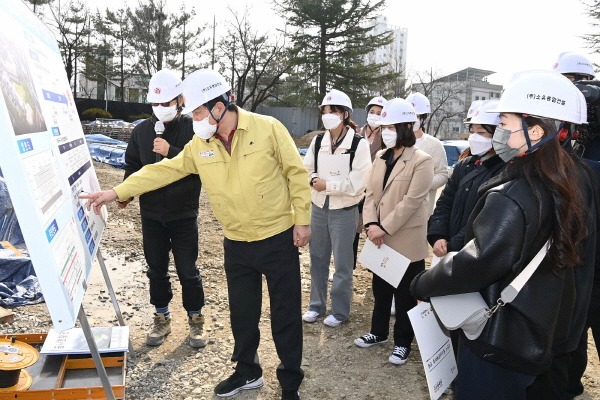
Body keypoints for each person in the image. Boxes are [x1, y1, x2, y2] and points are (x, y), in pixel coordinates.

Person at [81, 69, 311, 400]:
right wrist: (117, 192)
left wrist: (302, 220)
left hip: (277, 238)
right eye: (194, 113)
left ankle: (290, 380)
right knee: (242, 314)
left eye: (200, 112)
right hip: (237, 243)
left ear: (221, 105)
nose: (196, 119)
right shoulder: (200, 145)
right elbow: (162, 171)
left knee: (285, 314)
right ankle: (247, 371)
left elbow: (296, 173)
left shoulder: (268, 129)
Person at [410, 70, 596, 400]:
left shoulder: (514, 194)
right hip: (553, 335)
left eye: (506, 125)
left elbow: (476, 262)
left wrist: (424, 283)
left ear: (536, 130)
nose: (500, 134)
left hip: (505, 343)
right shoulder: (580, 178)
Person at [118, 69, 205, 348]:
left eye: (166, 103)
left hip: (183, 213)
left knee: (187, 269)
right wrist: (126, 193)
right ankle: (162, 317)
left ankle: (196, 320)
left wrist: (172, 151)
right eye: (155, 104)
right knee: (156, 268)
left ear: (180, 100)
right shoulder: (142, 131)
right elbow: (132, 165)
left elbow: (200, 165)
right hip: (151, 215)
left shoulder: (193, 129)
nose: (160, 109)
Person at [353, 98, 433, 365]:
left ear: (406, 128)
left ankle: (402, 343)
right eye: (383, 126)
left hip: (405, 238)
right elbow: (371, 193)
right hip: (380, 237)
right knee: (381, 288)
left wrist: (383, 227)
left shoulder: (421, 160)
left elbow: (412, 201)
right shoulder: (380, 156)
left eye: (391, 127)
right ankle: (378, 333)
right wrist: (370, 224)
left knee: (405, 294)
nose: (385, 131)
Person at [302, 89, 371, 328]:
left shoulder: (359, 145)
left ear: (344, 114)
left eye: (333, 111)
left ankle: (340, 311)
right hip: (319, 207)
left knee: (342, 264)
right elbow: (306, 167)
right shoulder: (318, 141)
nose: (327, 115)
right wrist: (312, 180)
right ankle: (316, 306)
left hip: (344, 210)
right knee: (317, 259)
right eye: (325, 111)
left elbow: (357, 183)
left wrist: (326, 185)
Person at [428, 99, 505, 257]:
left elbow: (486, 217)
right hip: (448, 247)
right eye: (472, 131)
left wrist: (454, 244)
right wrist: (438, 235)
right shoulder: (464, 166)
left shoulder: (504, 169)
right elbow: (445, 203)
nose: (474, 137)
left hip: (476, 252)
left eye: (481, 132)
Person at [406, 92, 448, 216]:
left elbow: (442, 174)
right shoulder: (395, 142)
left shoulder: (434, 144)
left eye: (416, 116)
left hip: (422, 211)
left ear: (424, 118)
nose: (412, 121)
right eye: (409, 116)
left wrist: (421, 185)